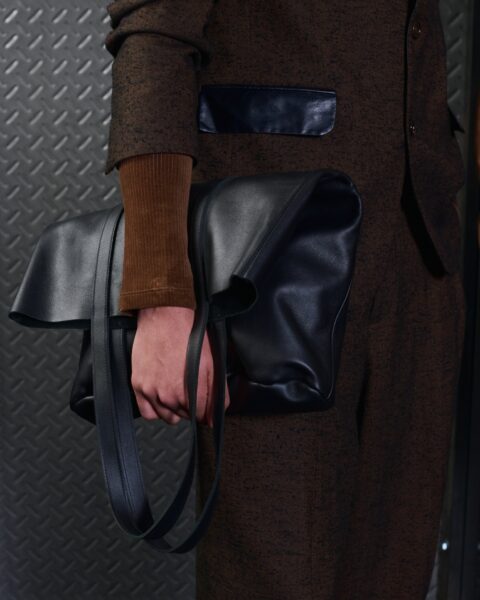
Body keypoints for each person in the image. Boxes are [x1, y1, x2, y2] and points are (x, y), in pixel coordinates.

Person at [103, 1, 467, 598]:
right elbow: (154, 35)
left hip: (419, 262)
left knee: (394, 573)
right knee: (273, 577)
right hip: (271, 273)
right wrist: (162, 294)